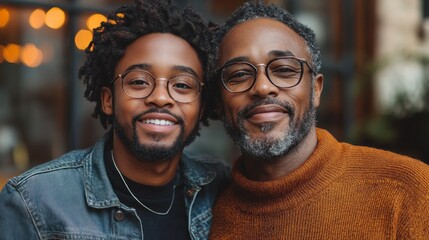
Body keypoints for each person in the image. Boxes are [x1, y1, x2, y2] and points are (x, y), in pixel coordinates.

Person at [0, 0, 230, 239]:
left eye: (182, 85)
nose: (160, 98)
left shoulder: (221, 188)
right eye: (139, 81)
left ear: (201, 108)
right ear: (108, 100)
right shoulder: (33, 201)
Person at [207, 1, 429, 239]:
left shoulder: (407, 190)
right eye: (239, 74)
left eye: (283, 70)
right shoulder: (204, 213)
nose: (262, 87)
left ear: (316, 90)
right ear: (219, 102)